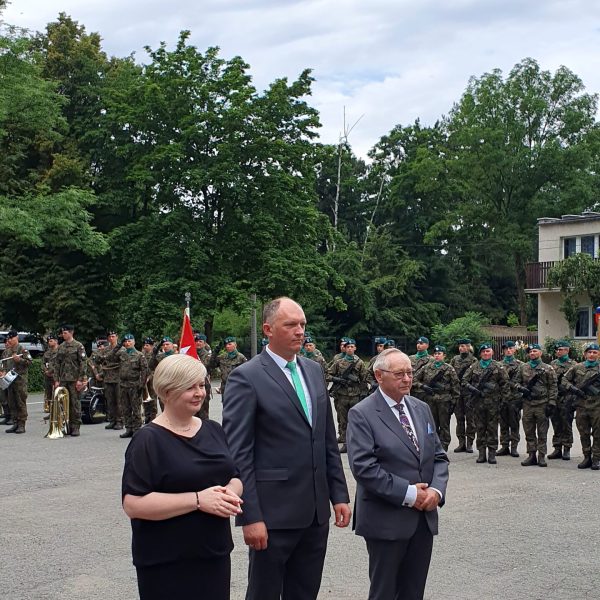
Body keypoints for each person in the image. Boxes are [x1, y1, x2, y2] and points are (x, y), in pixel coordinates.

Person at [222, 297, 351, 600]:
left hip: (314, 514)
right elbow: (239, 454)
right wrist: (250, 515)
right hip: (273, 515)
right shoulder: (247, 376)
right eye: (291, 324)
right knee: (264, 593)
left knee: (305, 592)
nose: (300, 331)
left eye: (302, 324)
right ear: (268, 329)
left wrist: (338, 494)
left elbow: (325, 439)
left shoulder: (314, 370)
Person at [122, 353, 243, 600]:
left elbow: (235, 476)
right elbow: (133, 504)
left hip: (213, 555)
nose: (200, 393)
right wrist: (198, 500)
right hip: (166, 562)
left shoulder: (213, 429)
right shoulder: (147, 440)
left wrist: (228, 493)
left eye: (201, 385)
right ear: (167, 392)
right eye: (190, 387)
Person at [346, 348, 449, 600]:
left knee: (413, 592)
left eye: (410, 373)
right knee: (384, 592)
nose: (407, 379)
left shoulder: (421, 408)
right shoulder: (362, 413)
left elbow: (438, 456)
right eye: (399, 374)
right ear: (379, 376)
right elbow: (364, 467)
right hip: (386, 520)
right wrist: (410, 494)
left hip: (423, 520)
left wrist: (436, 491)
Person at [462, 343, 509, 464]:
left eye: (488, 351)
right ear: (480, 354)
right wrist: (473, 389)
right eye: (483, 352)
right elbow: (464, 381)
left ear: (492, 352)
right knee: (480, 428)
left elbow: (505, 384)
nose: (486, 353)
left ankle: (492, 453)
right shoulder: (474, 366)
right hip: (478, 403)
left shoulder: (498, 366)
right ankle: (481, 453)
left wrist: (503, 401)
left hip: (493, 403)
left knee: (492, 428)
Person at [412, 345, 460, 452]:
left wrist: (454, 402)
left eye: (439, 354)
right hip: (430, 399)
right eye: (435, 354)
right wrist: (422, 386)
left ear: (444, 355)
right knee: (431, 424)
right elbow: (414, 379)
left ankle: (444, 447)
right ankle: (433, 445)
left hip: (444, 400)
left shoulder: (449, 368)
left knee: (444, 424)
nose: (437, 356)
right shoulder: (427, 367)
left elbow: (455, 386)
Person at [517, 344, 557, 467]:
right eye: (530, 351)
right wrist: (521, 389)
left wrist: (551, 403)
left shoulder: (548, 368)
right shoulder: (523, 367)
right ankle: (531, 455)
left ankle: (541, 456)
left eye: (535, 351)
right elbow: (515, 382)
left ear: (540, 353)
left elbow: (553, 386)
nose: (532, 353)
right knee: (529, 431)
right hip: (528, 404)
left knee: (542, 432)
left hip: (542, 403)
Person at [561, 342, 600, 470]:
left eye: (594, 352)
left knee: (598, 434)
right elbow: (564, 380)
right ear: (585, 354)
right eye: (589, 352)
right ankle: (587, 457)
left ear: (598, 354)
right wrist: (573, 389)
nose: (592, 354)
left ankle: (596, 459)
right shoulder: (577, 367)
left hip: (597, 407)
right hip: (581, 406)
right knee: (584, 433)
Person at [326, 338, 368, 452]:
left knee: (355, 420)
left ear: (355, 348)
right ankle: (345, 443)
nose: (349, 349)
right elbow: (327, 375)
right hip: (342, 396)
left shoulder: (360, 363)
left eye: (351, 347)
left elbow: (364, 379)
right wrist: (337, 380)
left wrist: (363, 393)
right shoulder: (338, 362)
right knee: (343, 420)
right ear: (345, 348)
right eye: (348, 347)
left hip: (355, 396)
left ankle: (356, 442)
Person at [53, 324, 87, 437]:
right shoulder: (61, 347)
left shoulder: (78, 346)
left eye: (65, 333)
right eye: (63, 333)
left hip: (74, 379)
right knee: (63, 404)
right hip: (63, 379)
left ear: (71, 333)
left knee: (75, 403)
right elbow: (57, 364)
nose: (63, 335)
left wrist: (80, 379)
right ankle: (66, 426)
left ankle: (75, 426)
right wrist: (56, 379)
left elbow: (83, 363)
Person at [1, 330, 33, 433]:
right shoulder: (7, 351)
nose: (9, 340)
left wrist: (20, 360)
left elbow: (29, 362)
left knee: (20, 402)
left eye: (12, 338)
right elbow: (4, 364)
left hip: (20, 381)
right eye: (8, 339)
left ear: (17, 338)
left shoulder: (22, 349)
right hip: (9, 381)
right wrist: (3, 372)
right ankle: (15, 423)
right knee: (12, 403)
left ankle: (21, 424)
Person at [548, 340, 576, 460]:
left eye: (561, 349)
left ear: (567, 350)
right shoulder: (553, 364)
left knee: (566, 424)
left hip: (567, 398)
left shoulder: (573, 365)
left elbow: (576, 383)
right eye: (557, 350)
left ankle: (567, 448)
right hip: (555, 397)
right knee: (556, 423)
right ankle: (557, 447)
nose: (558, 351)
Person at [118, 334, 149, 439]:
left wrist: (142, 384)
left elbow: (144, 370)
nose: (127, 343)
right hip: (123, 385)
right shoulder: (121, 354)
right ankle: (128, 428)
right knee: (125, 408)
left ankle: (137, 429)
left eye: (129, 341)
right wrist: (118, 345)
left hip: (134, 385)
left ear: (134, 342)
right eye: (126, 341)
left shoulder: (139, 355)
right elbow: (110, 357)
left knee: (135, 408)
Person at [450, 338, 477, 453]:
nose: (461, 348)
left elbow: (476, 377)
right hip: (457, 393)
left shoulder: (474, 360)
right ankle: (461, 443)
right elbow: (450, 373)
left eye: (464, 346)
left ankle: (469, 443)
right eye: (460, 346)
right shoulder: (455, 359)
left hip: (469, 394)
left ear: (469, 347)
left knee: (470, 419)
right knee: (459, 419)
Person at [497, 341, 524, 458]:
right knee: (503, 423)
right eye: (506, 349)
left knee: (514, 423)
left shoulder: (521, 365)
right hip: (502, 398)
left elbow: (524, 382)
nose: (508, 350)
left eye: (510, 348)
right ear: (503, 351)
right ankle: (504, 446)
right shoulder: (498, 365)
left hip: (514, 399)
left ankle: (514, 447)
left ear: (514, 350)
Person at [100, 330, 123, 430]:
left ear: (117, 337)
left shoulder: (122, 349)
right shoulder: (105, 350)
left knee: (119, 401)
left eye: (113, 336)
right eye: (109, 337)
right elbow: (102, 362)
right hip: (108, 378)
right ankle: (112, 420)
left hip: (118, 378)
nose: (111, 338)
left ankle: (120, 421)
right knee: (110, 400)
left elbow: (123, 363)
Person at [194, 333, 212, 420]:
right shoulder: (190, 354)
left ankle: (205, 426)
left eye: (200, 341)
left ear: (204, 343)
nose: (198, 343)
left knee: (203, 411)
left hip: (203, 384)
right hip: (192, 383)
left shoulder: (208, 355)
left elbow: (205, 368)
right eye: (196, 341)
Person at [141, 337, 158, 424]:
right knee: (145, 398)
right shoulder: (142, 354)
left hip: (152, 379)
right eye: (144, 345)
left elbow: (156, 368)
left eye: (147, 345)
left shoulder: (155, 355)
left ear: (151, 346)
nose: (145, 347)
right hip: (144, 379)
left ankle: (153, 416)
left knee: (152, 398)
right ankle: (147, 415)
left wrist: (149, 377)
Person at [42, 333, 59, 413]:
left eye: (51, 341)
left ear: (56, 341)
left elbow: (61, 364)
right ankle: (51, 412)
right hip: (48, 377)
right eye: (48, 341)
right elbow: (43, 363)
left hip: (57, 376)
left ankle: (58, 412)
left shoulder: (60, 351)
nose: (49, 342)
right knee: (48, 395)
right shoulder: (47, 353)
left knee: (57, 394)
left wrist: (53, 372)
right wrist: (46, 371)